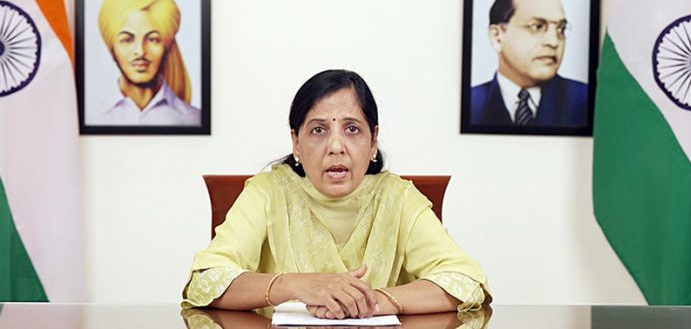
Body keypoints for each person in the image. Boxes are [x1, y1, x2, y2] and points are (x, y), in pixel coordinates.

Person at [182, 69, 491, 319]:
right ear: (296, 143)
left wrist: (370, 303)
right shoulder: (268, 192)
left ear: (373, 142)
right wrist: (297, 286)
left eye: (352, 129)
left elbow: (465, 281)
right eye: (318, 130)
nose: (336, 146)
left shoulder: (398, 198)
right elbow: (206, 280)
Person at [471, 0, 588, 127]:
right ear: (497, 37)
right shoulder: (470, 103)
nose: (553, 42)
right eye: (537, 26)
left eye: (561, 29)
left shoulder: (585, 100)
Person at [94, 0, 200, 126]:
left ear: (167, 46)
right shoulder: (92, 116)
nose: (140, 51)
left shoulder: (194, 119)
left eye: (152, 39)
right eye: (126, 40)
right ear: (111, 48)